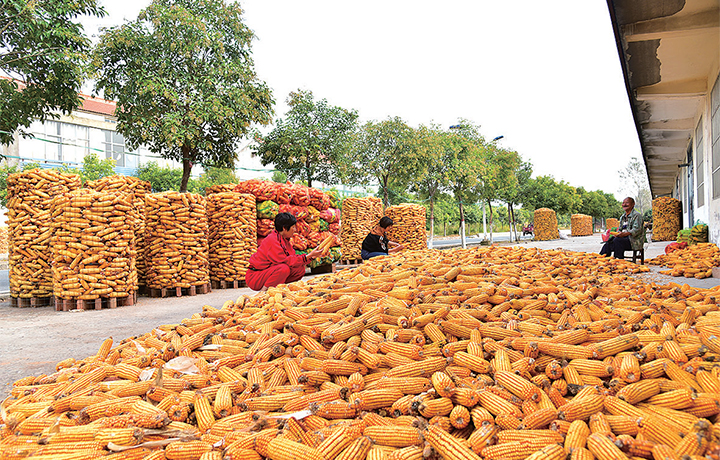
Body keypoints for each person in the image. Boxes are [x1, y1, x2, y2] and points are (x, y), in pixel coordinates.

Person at [246, 212, 322, 292]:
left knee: (299, 269)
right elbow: (287, 261)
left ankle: (284, 289)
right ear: (284, 228)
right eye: (293, 227)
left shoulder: (284, 240)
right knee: (283, 269)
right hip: (255, 277)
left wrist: (312, 257)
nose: (295, 230)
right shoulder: (272, 240)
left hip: (267, 272)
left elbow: (293, 260)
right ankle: (263, 292)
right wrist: (308, 256)